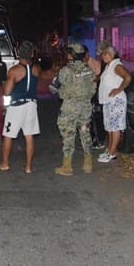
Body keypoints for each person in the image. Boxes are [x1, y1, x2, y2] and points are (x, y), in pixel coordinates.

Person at [0, 41, 40, 173]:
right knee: (29, 136)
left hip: (17, 106)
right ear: (31, 54)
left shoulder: (14, 70)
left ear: (19, 54)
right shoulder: (36, 69)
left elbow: (7, 91)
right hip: (31, 104)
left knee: (8, 135)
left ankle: (4, 163)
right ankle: (29, 167)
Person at [54, 43, 97, 176]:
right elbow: (93, 88)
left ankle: (67, 166)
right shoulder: (88, 70)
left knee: (68, 135)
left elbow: (54, 87)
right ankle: (88, 164)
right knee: (85, 133)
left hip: (69, 108)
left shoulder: (65, 71)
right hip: (85, 108)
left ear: (71, 55)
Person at [97, 45, 132, 163]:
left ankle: (112, 153)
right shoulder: (109, 66)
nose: (103, 56)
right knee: (110, 127)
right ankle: (110, 150)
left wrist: (119, 89)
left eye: (106, 53)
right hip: (108, 101)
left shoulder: (116, 65)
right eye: (102, 54)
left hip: (116, 100)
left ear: (112, 54)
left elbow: (128, 77)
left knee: (115, 127)